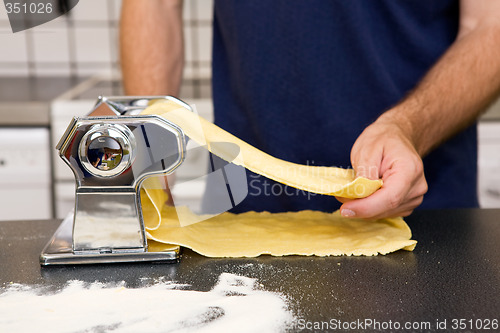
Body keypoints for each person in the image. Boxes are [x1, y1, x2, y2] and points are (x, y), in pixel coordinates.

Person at [120, 0, 500, 219]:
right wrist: (150, 171)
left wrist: (408, 127)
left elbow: (489, 24)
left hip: (420, 209)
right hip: (241, 205)